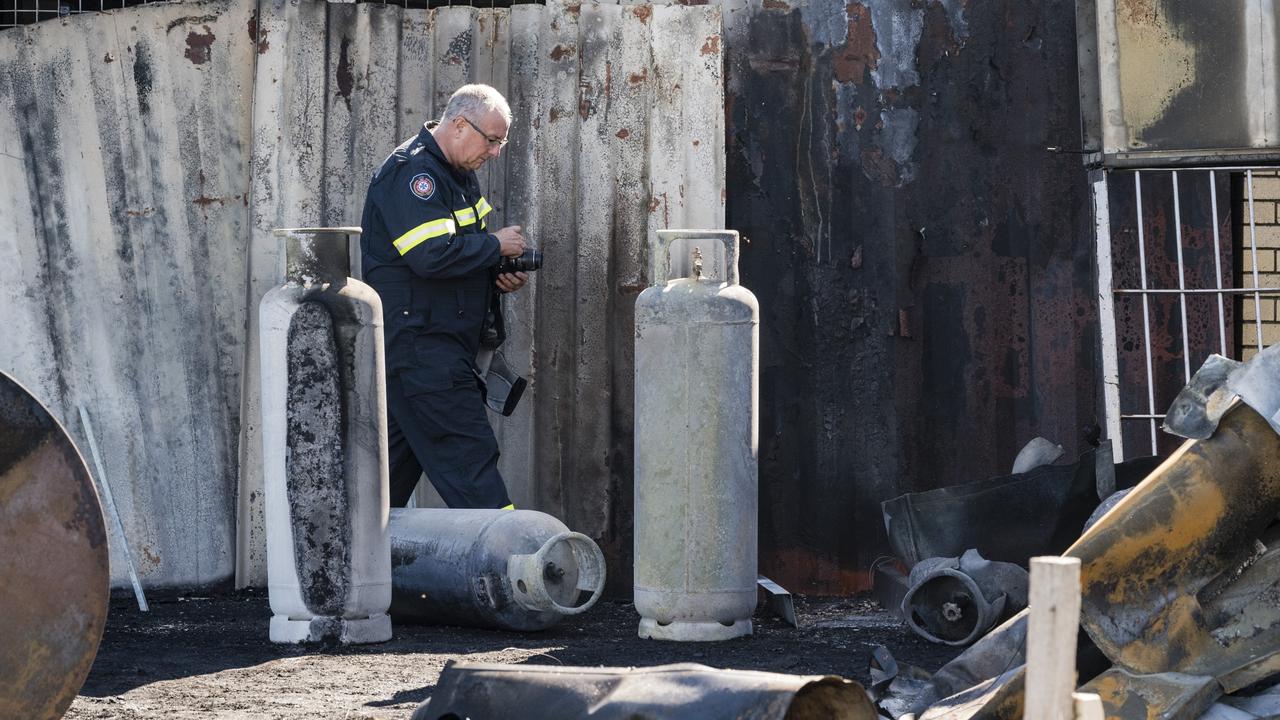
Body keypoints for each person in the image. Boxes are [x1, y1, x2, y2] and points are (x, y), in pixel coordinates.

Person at [359, 84, 528, 509]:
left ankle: (359, 570)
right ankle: (508, 566)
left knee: (388, 489)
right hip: (425, 357)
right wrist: (495, 248)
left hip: (436, 353)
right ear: (458, 124)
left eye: (501, 142)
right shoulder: (412, 175)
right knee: (471, 464)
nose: (495, 153)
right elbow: (430, 256)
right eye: (492, 140)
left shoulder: (458, 177)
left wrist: (498, 273)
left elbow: (464, 252)